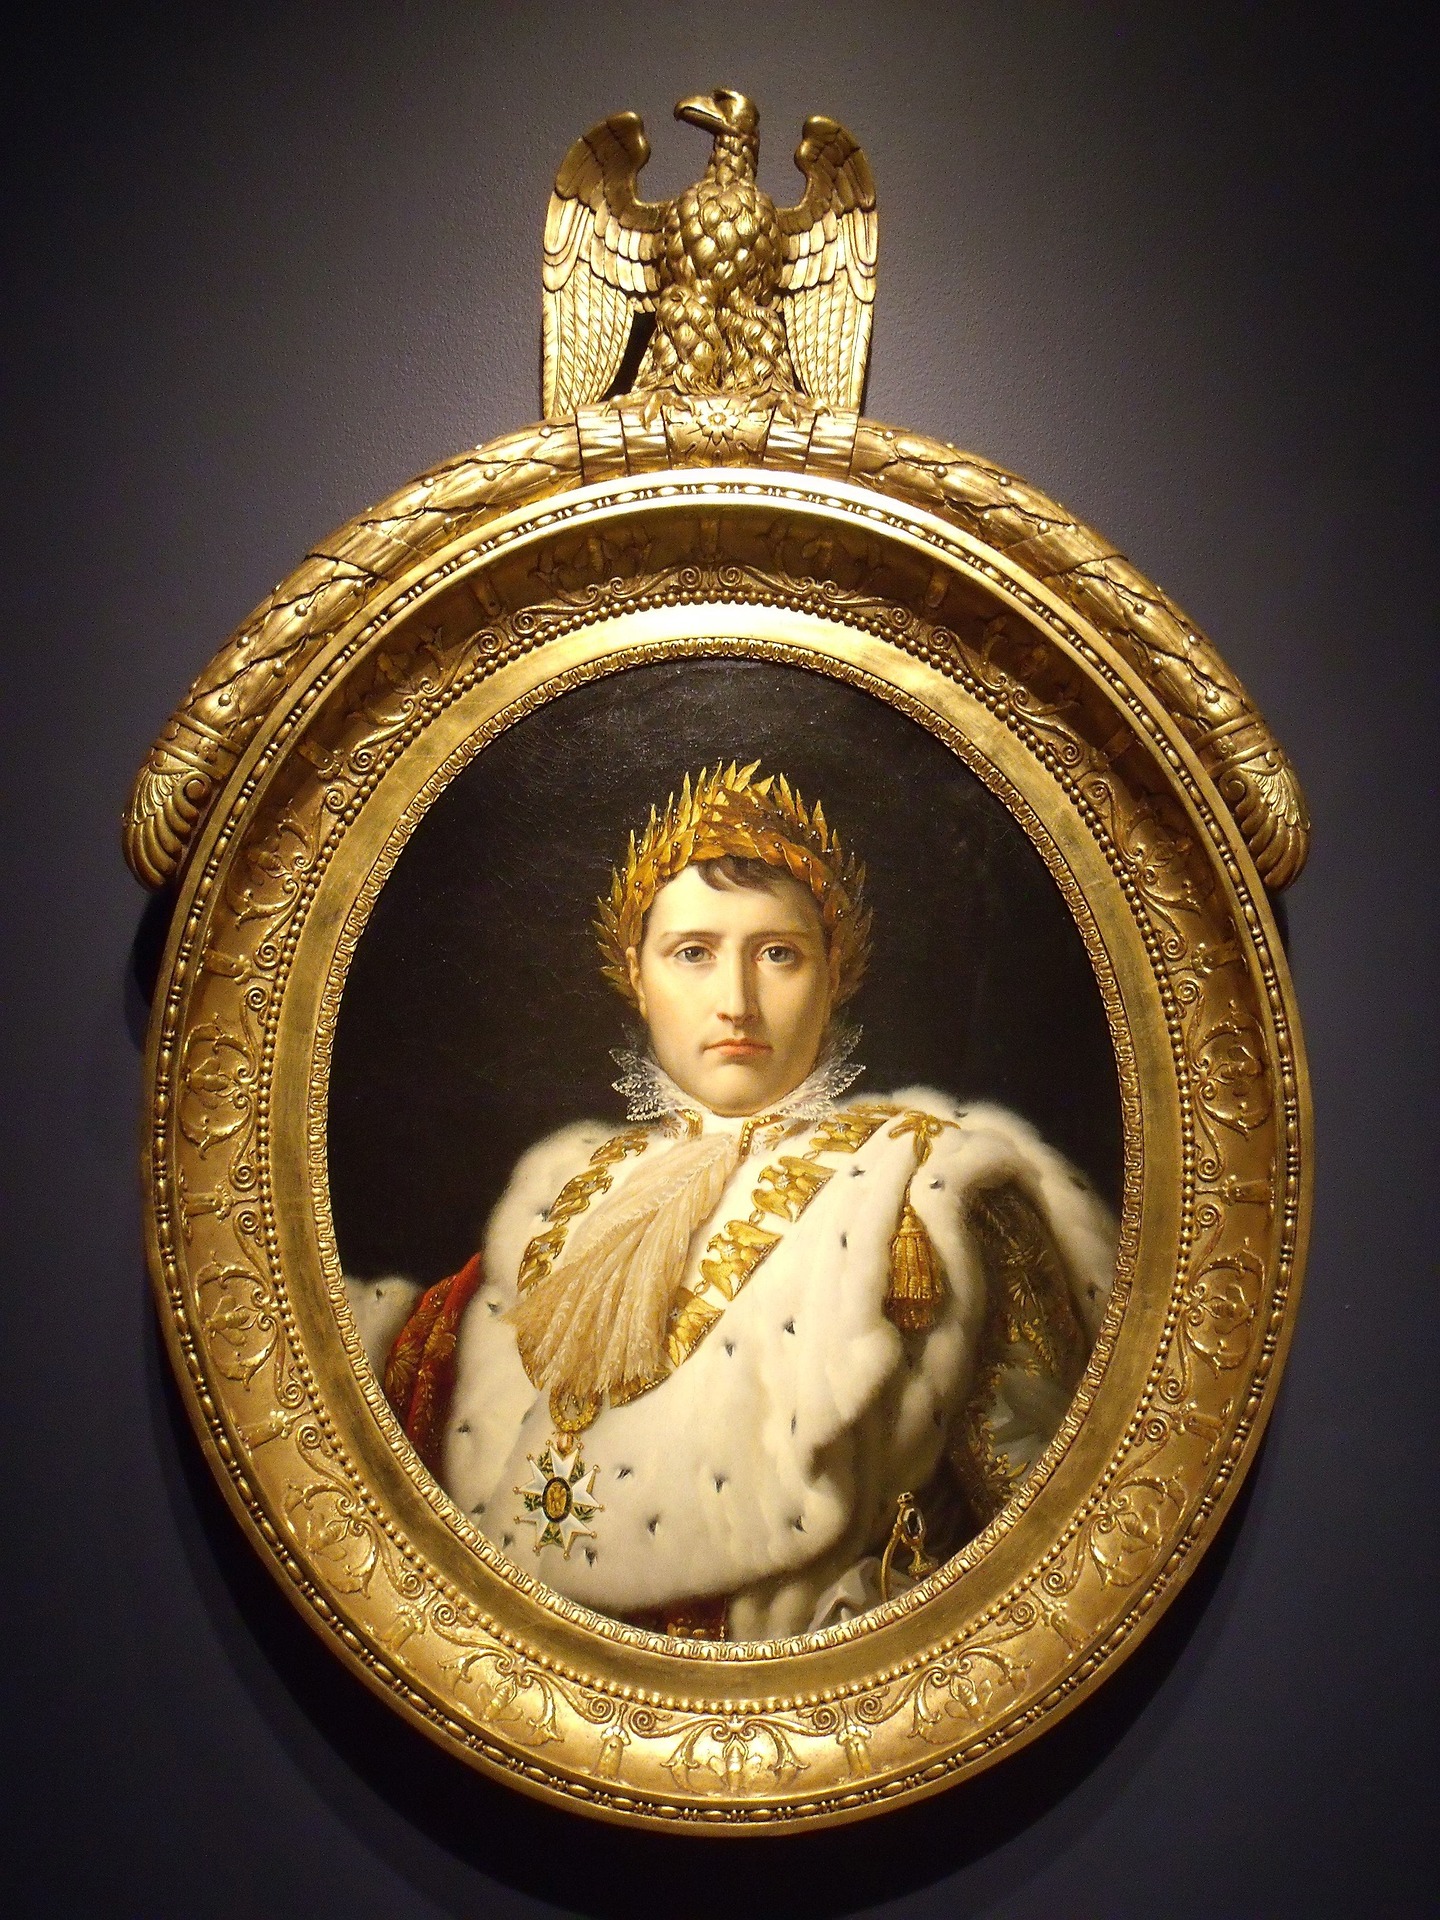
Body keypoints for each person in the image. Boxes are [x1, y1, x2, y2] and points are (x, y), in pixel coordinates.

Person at [348, 763, 1116, 1640]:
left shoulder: (930, 1194)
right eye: (694, 953)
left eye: (778, 954)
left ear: (835, 972)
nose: (737, 1003)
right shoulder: (566, 1194)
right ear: (637, 976)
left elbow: (1052, 1560)